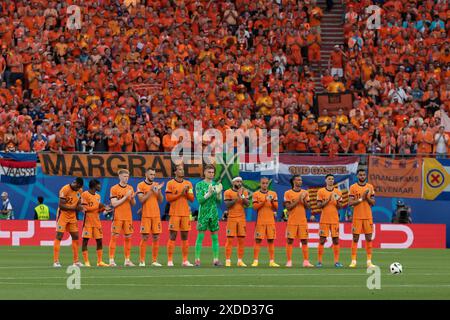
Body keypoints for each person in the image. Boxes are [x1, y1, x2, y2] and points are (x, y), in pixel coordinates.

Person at [165, 164, 195, 267]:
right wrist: (181, 193)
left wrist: (186, 193)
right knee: (173, 236)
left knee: (185, 236)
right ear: (175, 172)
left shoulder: (188, 184)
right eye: (180, 169)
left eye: (183, 169)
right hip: (174, 213)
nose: (182, 171)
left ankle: (185, 260)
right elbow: (169, 198)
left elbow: (191, 198)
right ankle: (169, 260)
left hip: (185, 214)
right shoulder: (170, 183)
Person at [194, 164, 223, 267]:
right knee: (200, 235)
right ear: (205, 172)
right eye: (209, 172)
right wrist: (208, 194)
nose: (211, 174)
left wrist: (219, 194)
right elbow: (200, 200)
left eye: (213, 172)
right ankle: (197, 259)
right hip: (204, 213)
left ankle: (216, 260)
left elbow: (219, 202)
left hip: (214, 212)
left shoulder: (216, 184)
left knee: (215, 236)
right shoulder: (199, 185)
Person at [283, 175, 314, 268]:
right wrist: (298, 199)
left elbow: (308, 207)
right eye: (298, 180)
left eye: (301, 180)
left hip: (302, 221)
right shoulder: (288, 193)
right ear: (293, 181)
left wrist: (303, 200)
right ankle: (289, 261)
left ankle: (306, 261)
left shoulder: (305, 193)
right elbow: (288, 207)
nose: (300, 181)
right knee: (290, 240)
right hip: (292, 221)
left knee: (304, 241)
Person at [53, 177, 84, 267]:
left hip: (72, 216)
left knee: (75, 236)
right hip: (63, 215)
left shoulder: (80, 191)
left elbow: (78, 203)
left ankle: (76, 261)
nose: (79, 189)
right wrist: (74, 208)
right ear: (76, 184)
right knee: (59, 236)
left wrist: (80, 208)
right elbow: (61, 205)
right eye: (78, 187)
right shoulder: (65, 189)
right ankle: (56, 261)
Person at [136, 167, 164, 267]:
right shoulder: (140, 185)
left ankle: (154, 260)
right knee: (145, 237)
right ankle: (142, 261)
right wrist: (151, 191)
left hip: (156, 215)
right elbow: (141, 200)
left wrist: (159, 191)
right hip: (146, 215)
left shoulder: (156, 185)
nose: (153, 176)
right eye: (151, 174)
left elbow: (161, 200)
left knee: (156, 237)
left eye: (154, 174)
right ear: (146, 174)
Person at [348, 169, 376, 268]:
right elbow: (350, 203)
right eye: (360, 175)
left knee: (368, 238)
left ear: (365, 176)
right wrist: (361, 199)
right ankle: (353, 261)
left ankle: (369, 261)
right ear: (357, 176)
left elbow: (373, 203)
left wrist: (366, 197)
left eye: (364, 175)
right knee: (355, 238)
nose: (362, 176)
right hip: (357, 217)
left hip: (368, 216)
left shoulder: (370, 187)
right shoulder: (353, 187)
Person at [109, 169, 136, 267]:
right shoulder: (114, 188)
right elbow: (114, 204)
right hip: (118, 216)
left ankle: (127, 260)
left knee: (128, 238)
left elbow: (133, 204)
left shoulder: (130, 188)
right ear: (120, 177)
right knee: (114, 237)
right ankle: (111, 260)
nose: (126, 178)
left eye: (128, 176)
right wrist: (125, 197)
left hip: (128, 216)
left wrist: (132, 198)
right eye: (125, 176)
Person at [80, 179, 111, 267]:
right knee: (85, 241)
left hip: (97, 222)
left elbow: (97, 211)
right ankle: (86, 262)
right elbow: (84, 209)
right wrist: (98, 206)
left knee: (99, 241)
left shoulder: (98, 196)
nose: (100, 187)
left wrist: (103, 209)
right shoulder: (85, 194)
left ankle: (99, 261)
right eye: (99, 185)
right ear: (94, 186)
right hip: (88, 222)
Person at [316, 174, 344, 268]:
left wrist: (337, 201)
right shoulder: (321, 191)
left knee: (335, 240)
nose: (331, 180)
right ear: (325, 180)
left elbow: (340, 206)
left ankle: (336, 262)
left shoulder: (338, 192)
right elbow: (319, 205)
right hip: (324, 220)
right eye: (329, 179)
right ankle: (319, 262)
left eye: (332, 179)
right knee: (322, 240)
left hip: (334, 219)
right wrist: (328, 200)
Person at [251, 177, 280, 267]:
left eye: (266, 183)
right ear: (260, 184)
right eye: (263, 183)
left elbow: (276, 207)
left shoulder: (273, 194)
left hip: (270, 221)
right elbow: (255, 208)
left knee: (271, 240)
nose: (264, 185)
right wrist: (264, 201)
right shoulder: (256, 194)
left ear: (268, 184)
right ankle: (255, 260)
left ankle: (272, 261)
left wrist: (271, 201)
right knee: (258, 240)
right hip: (260, 221)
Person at [224, 177, 249, 267]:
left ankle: (240, 260)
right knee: (230, 240)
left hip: (242, 218)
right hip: (232, 218)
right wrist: (236, 197)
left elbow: (247, 204)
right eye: (237, 181)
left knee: (241, 240)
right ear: (233, 182)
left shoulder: (244, 192)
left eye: (240, 182)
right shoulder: (228, 192)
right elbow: (227, 205)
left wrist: (241, 196)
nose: (239, 183)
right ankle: (228, 260)